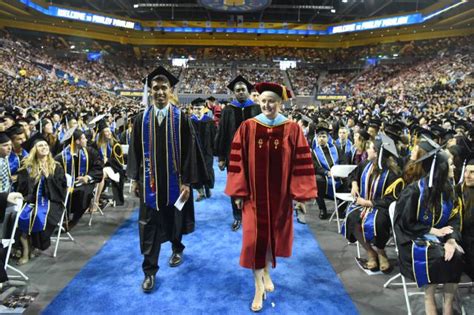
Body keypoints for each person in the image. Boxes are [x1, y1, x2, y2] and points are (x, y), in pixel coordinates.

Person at [225, 82, 317, 312]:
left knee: (271, 240)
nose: (267, 105)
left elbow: (301, 162)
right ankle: (257, 286)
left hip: (281, 198)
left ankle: (266, 271)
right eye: (263, 100)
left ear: (280, 103)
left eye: (272, 101)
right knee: (253, 241)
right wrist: (238, 192)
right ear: (258, 101)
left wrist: (299, 194)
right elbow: (238, 161)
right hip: (253, 199)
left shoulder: (292, 129)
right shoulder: (248, 127)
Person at [127, 66, 208, 293]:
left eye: (164, 88)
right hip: (149, 183)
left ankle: (177, 247)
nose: (160, 92)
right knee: (149, 226)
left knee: (175, 219)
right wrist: (134, 178)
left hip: (175, 182)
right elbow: (134, 151)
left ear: (170, 90)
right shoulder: (140, 119)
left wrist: (187, 181)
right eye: (155, 88)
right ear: (150, 90)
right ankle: (149, 271)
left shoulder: (180, 118)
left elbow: (190, 151)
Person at [394, 137, 464, 315]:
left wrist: (451, 240)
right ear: (440, 168)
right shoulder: (414, 191)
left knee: (455, 255)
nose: (454, 166)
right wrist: (431, 231)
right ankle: (429, 299)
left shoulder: (449, 190)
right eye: (450, 163)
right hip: (413, 242)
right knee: (435, 257)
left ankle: (448, 305)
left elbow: (454, 220)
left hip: (440, 240)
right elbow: (404, 224)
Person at [343, 135, 404, 273]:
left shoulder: (392, 174)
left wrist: (369, 202)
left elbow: (392, 200)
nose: (366, 151)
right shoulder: (365, 165)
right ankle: (370, 252)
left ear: (377, 152)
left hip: (381, 208)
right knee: (351, 217)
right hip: (361, 204)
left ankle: (381, 252)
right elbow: (353, 174)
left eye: (369, 149)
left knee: (379, 222)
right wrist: (353, 184)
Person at [215, 75, 261, 232]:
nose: (240, 92)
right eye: (237, 90)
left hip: (254, 156)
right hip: (233, 156)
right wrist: (221, 157)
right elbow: (221, 133)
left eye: (243, 90)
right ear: (234, 93)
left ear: (248, 91)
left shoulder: (256, 109)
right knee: (236, 187)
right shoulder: (228, 110)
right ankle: (237, 217)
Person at [16, 135, 67, 265]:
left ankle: (34, 245)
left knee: (39, 216)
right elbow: (22, 188)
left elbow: (61, 190)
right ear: (34, 150)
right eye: (40, 145)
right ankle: (25, 250)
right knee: (21, 216)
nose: (44, 147)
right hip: (30, 200)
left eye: (45, 145)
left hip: (52, 201)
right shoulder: (26, 167)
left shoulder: (56, 166)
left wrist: (48, 177)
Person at [55, 128, 103, 230]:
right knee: (61, 191)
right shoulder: (61, 156)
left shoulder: (90, 152)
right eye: (83, 138)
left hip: (85, 184)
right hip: (67, 185)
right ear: (77, 141)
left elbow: (98, 168)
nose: (86, 140)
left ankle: (73, 221)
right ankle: (63, 218)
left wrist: (87, 177)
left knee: (84, 193)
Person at [311, 121, 346, 219]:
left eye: (324, 137)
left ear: (327, 138)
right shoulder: (314, 152)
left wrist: (340, 172)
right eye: (319, 137)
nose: (321, 139)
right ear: (317, 139)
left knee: (349, 181)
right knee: (315, 180)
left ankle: (341, 209)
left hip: (338, 175)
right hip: (325, 177)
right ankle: (322, 209)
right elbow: (316, 167)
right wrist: (327, 173)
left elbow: (343, 160)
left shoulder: (336, 148)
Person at [92, 119, 125, 208]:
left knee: (101, 174)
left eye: (109, 131)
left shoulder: (115, 144)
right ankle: (92, 200)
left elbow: (118, 162)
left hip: (112, 168)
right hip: (99, 166)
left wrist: (108, 161)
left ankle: (96, 201)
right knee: (97, 173)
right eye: (106, 131)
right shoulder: (96, 145)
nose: (109, 133)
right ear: (102, 133)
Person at [190, 98, 216, 201]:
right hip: (194, 152)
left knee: (208, 170)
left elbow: (214, 136)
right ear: (192, 109)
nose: (197, 110)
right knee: (196, 171)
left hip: (207, 151)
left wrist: (215, 149)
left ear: (204, 108)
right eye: (195, 108)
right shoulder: (189, 121)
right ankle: (200, 192)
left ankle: (208, 187)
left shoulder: (209, 121)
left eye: (199, 108)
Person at [457, 159, 473, 280]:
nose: (467, 175)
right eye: (466, 171)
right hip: (464, 240)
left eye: (472, 172)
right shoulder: (457, 191)